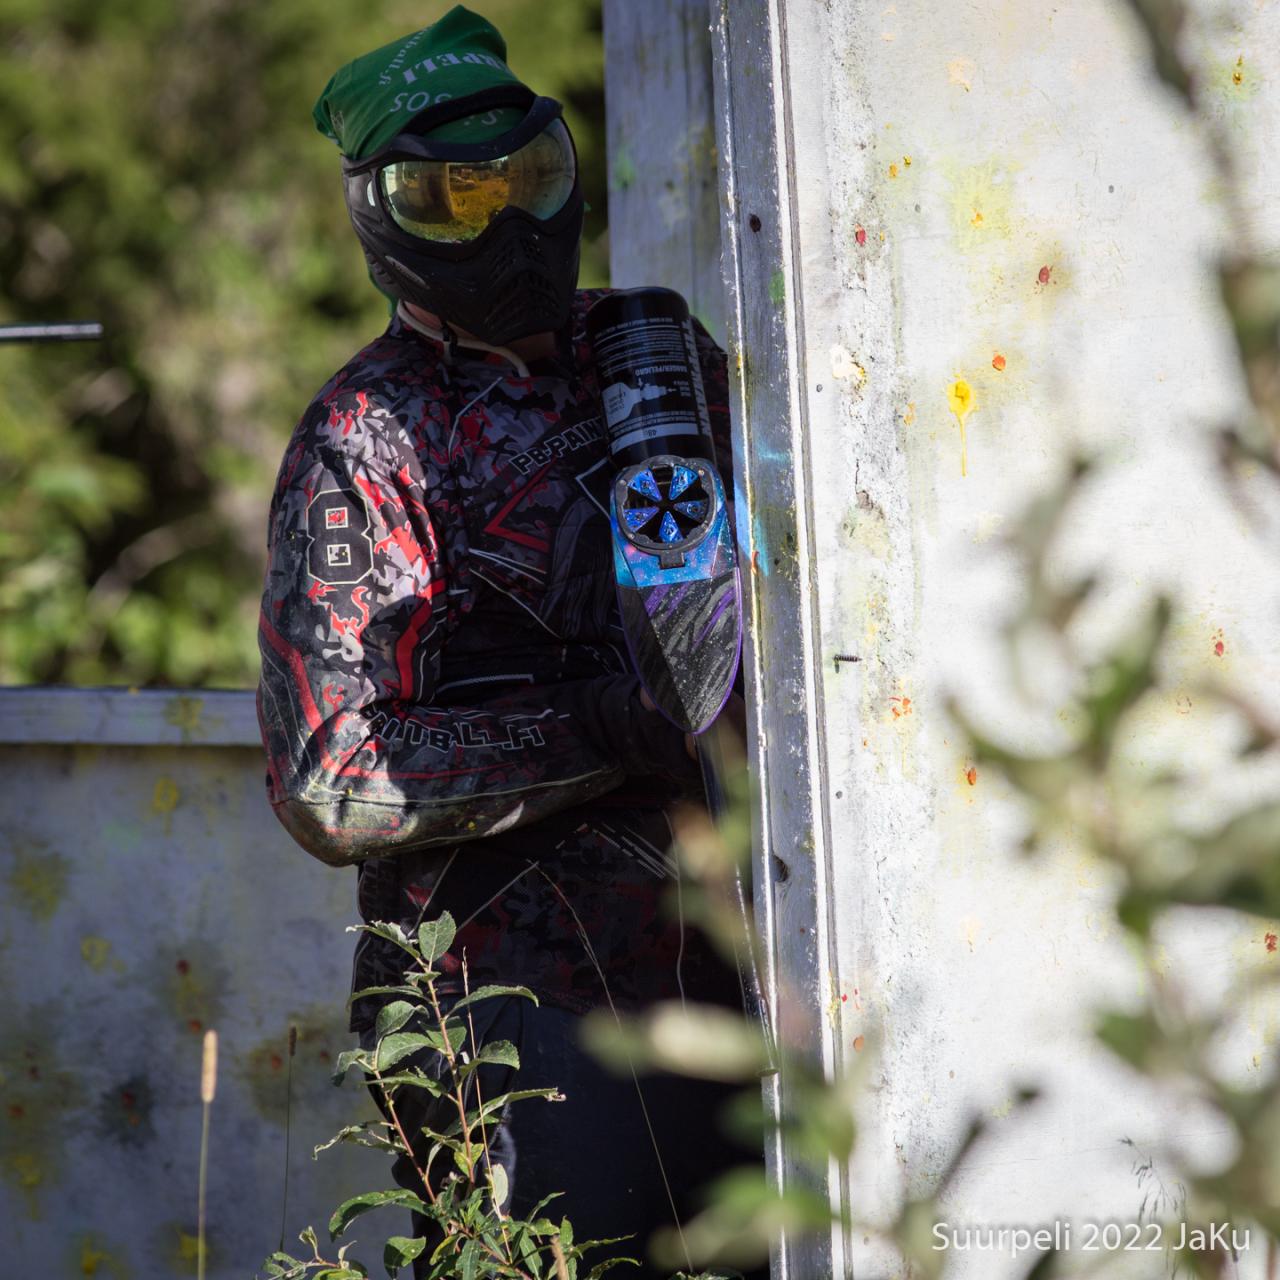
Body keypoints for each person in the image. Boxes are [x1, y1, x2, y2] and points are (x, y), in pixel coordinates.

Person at [257, 8, 765, 1278]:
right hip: (509, 1006)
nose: (503, 225)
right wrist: (599, 728)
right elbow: (331, 777)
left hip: (733, 964)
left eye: (525, 179)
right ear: (381, 215)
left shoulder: (655, 359)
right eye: (449, 200)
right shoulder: (367, 438)